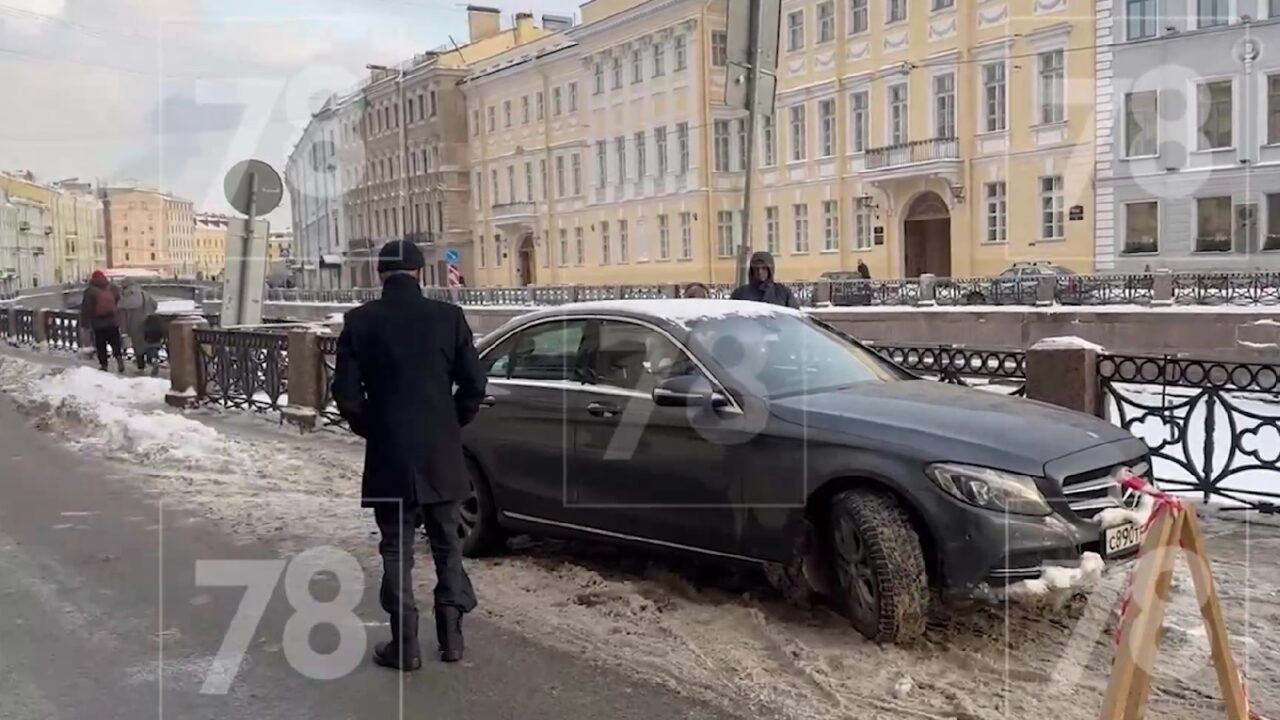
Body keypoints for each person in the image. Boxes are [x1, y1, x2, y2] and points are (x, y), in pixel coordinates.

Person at [331, 239, 486, 670]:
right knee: (446, 545)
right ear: (420, 273)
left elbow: (344, 392)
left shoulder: (360, 322)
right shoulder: (448, 318)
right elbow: (475, 382)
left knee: (395, 548)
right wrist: (451, 422)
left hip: (389, 452)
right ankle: (451, 638)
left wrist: (372, 427)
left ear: (381, 274)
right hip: (441, 451)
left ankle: (405, 646)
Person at [80, 270, 124, 372]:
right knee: (115, 343)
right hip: (112, 321)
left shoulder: (90, 291)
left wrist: (84, 323)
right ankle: (119, 360)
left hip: (98, 323)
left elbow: (86, 308)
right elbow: (117, 298)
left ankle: (104, 365)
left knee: (101, 345)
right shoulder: (111, 287)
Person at [117, 278, 158, 374]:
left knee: (138, 348)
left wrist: (123, 331)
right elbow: (154, 305)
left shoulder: (123, 300)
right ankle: (153, 360)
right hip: (146, 323)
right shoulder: (143, 294)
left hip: (133, 327)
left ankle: (141, 367)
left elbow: (123, 318)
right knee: (149, 344)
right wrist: (148, 312)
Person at [730, 251, 800, 308]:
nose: (760, 272)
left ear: (770, 269)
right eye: (756, 269)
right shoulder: (740, 294)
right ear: (752, 270)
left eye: (764, 268)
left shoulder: (783, 293)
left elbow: (795, 317)